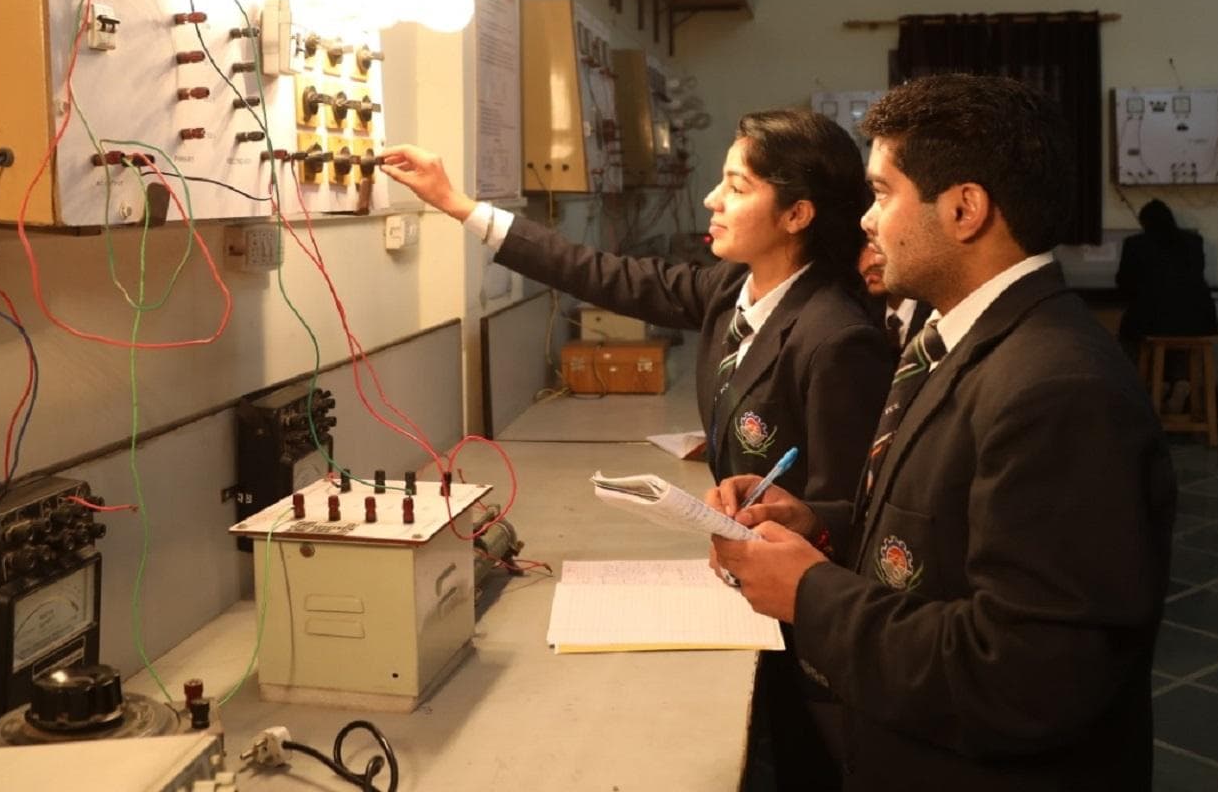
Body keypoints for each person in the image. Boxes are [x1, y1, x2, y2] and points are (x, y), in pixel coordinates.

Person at [381, 109, 893, 792]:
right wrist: (460, 206)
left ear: (796, 214)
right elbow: (605, 274)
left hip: (805, 624)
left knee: (802, 761)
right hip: (745, 579)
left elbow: (850, 512)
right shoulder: (733, 292)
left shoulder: (835, 337)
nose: (713, 200)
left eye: (737, 187)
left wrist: (784, 521)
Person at [708, 74, 1177, 791]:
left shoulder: (1056, 389)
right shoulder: (953, 335)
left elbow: (1026, 672)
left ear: (964, 209)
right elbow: (939, 535)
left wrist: (810, 593)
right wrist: (818, 524)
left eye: (883, 192)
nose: (865, 220)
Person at [1115, 199, 1218, 410]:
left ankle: (1155, 383)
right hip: (1197, 321)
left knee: (1136, 336)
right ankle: (1181, 382)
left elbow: (1124, 282)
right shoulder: (1194, 241)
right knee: (1180, 337)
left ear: (1144, 222)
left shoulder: (1135, 244)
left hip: (1151, 319)